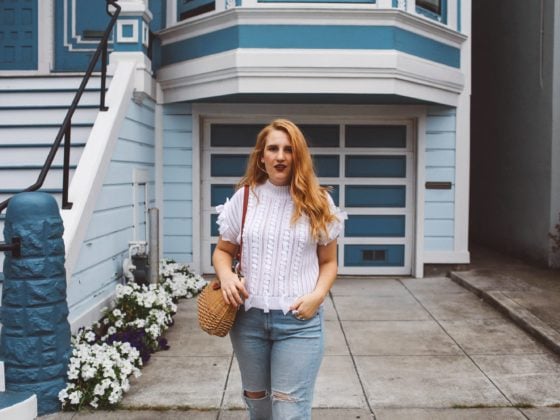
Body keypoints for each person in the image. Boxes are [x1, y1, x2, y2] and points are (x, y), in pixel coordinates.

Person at [212, 119, 346, 420]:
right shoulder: (245, 198)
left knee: (289, 412)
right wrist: (227, 276)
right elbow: (223, 251)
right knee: (258, 407)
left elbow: (329, 262)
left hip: (299, 322)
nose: (280, 156)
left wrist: (317, 295)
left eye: (288, 149)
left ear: (298, 156)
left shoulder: (319, 202)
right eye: (273, 149)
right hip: (248, 322)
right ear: (262, 156)